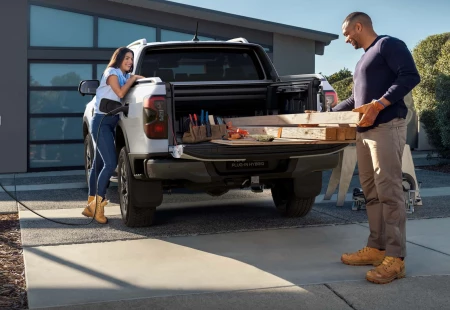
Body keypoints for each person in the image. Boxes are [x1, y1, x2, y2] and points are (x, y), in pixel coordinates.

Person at [332, 12, 421, 284]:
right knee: (371, 192)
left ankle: (396, 258)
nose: (346, 39)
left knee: (389, 192)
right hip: (364, 132)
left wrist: (379, 104)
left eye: (347, 33)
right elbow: (355, 99)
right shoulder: (363, 60)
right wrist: (328, 112)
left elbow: (410, 76)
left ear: (359, 26)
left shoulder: (388, 45)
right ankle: (377, 247)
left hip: (386, 127)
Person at [82, 47, 144, 224]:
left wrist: (138, 79)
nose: (129, 62)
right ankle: (97, 205)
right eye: (126, 58)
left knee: (98, 163)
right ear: (118, 59)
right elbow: (121, 93)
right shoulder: (112, 73)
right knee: (110, 163)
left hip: (110, 123)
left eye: (131, 59)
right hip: (101, 122)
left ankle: (90, 204)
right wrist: (133, 78)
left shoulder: (122, 75)